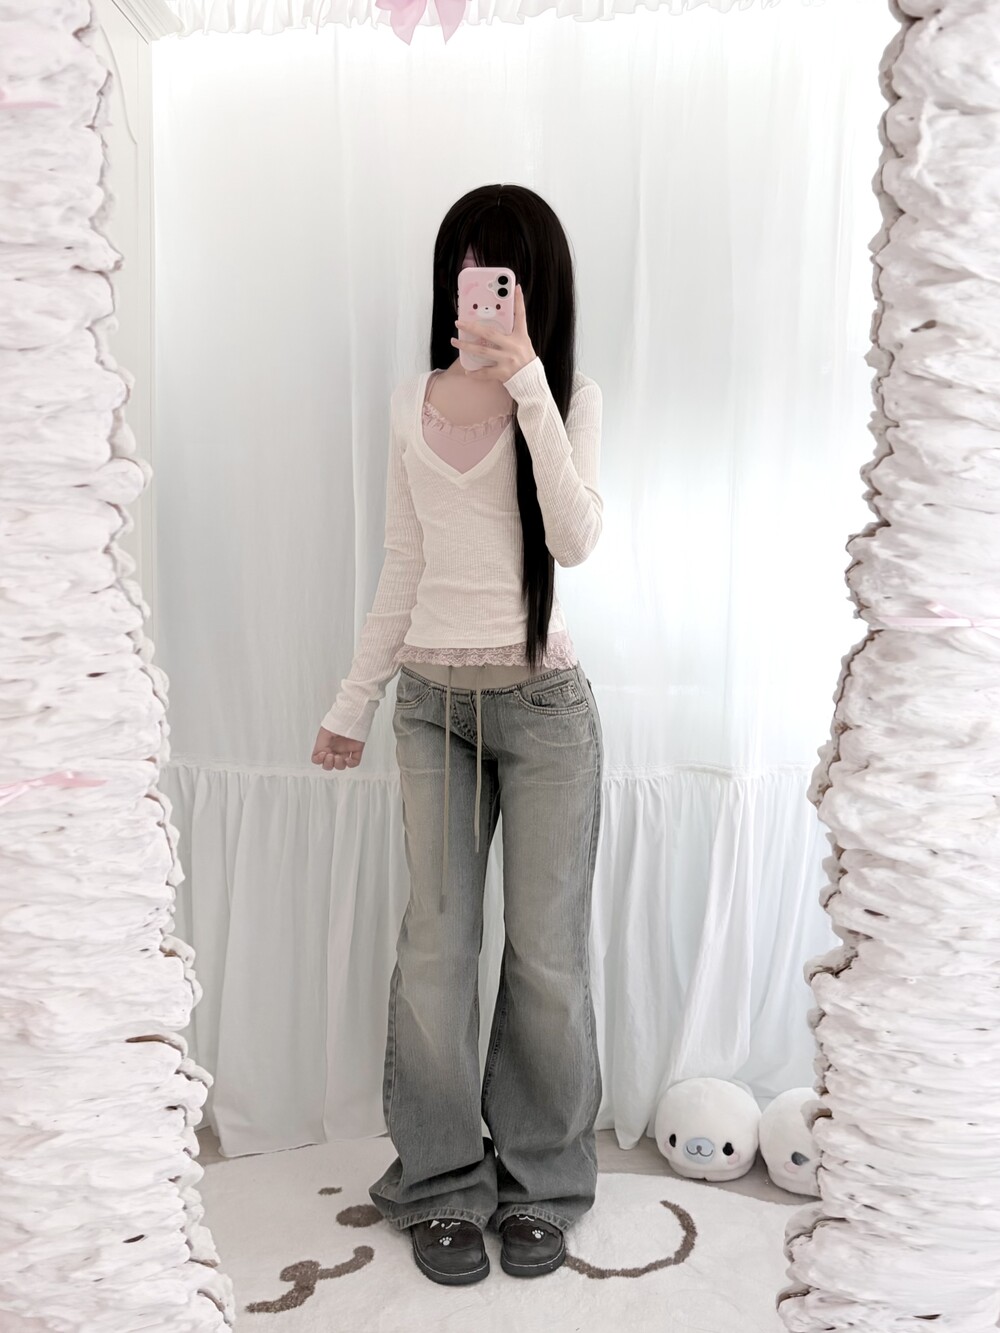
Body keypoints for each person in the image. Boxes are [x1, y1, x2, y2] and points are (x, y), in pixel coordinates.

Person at [311, 183, 604, 1287]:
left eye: (500, 271)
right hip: (431, 708)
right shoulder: (409, 403)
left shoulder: (567, 396)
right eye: (466, 266)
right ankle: (439, 1182)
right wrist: (351, 703)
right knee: (436, 950)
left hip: (543, 712)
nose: (477, 289)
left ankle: (541, 1184)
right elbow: (403, 564)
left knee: (545, 957)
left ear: (532, 289)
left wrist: (526, 384)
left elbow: (574, 539)